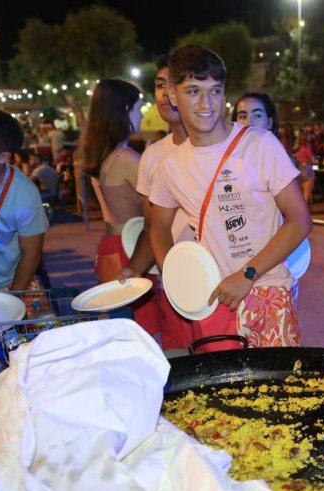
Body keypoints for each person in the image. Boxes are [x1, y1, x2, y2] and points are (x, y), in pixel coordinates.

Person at [149, 45, 312, 350]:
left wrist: (247, 273)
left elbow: (300, 220)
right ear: (172, 94)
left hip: (267, 289)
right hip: (212, 298)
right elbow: (157, 227)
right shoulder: (169, 166)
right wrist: (177, 274)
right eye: (193, 91)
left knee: (280, 393)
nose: (206, 103)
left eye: (215, 90)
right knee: (221, 395)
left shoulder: (260, 143)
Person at [120, 55, 195, 351]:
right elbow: (152, 227)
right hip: (175, 285)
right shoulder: (152, 156)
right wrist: (134, 269)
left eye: (174, 84)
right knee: (181, 368)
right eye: (160, 85)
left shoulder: (228, 146)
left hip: (225, 286)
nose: (165, 94)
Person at [77, 79, 160, 337]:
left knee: (122, 325)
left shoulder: (100, 155)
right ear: (124, 110)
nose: (142, 114)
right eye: (138, 107)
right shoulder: (126, 158)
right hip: (131, 248)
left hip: (110, 245)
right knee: (142, 330)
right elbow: (159, 205)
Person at [232, 91, 310, 309]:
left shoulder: (277, 157)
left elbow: (298, 217)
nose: (249, 122)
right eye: (242, 115)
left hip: (273, 258)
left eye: (257, 115)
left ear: (269, 121)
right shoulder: (227, 161)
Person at [0, 110, 49, 305]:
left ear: (2, 157)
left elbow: (31, 253)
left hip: (12, 282)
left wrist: (13, 301)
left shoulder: (24, 194)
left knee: (35, 334)